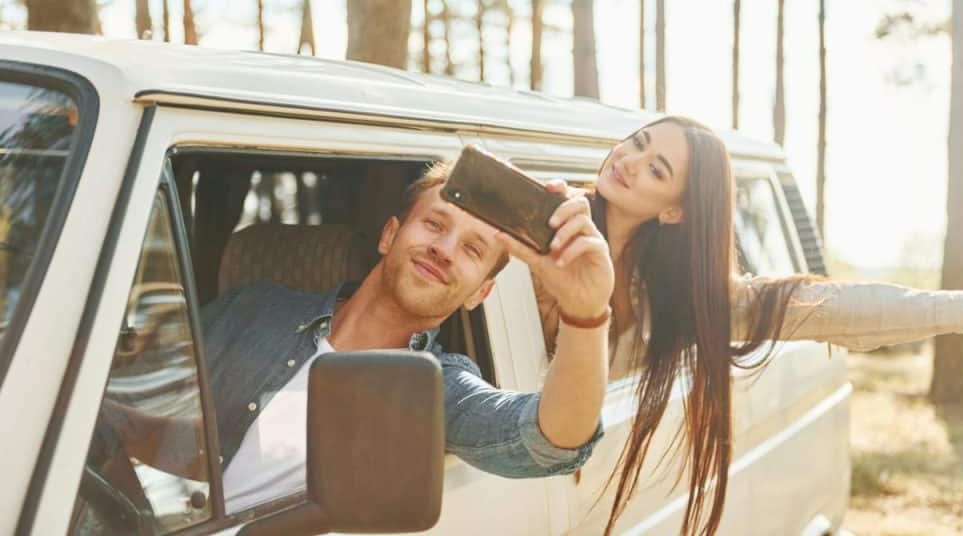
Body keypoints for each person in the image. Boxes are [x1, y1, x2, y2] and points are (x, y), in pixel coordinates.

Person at [532, 116, 963, 536]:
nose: (629, 162)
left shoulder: (677, 294)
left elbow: (833, 308)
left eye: (656, 169)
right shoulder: (540, 225)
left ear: (675, 210)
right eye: (637, 143)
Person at [106, 162, 615, 514]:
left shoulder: (434, 389)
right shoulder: (254, 307)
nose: (442, 249)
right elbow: (124, 394)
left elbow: (549, 441)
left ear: (479, 293)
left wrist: (586, 312)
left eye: (471, 249)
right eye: (434, 224)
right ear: (389, 235)